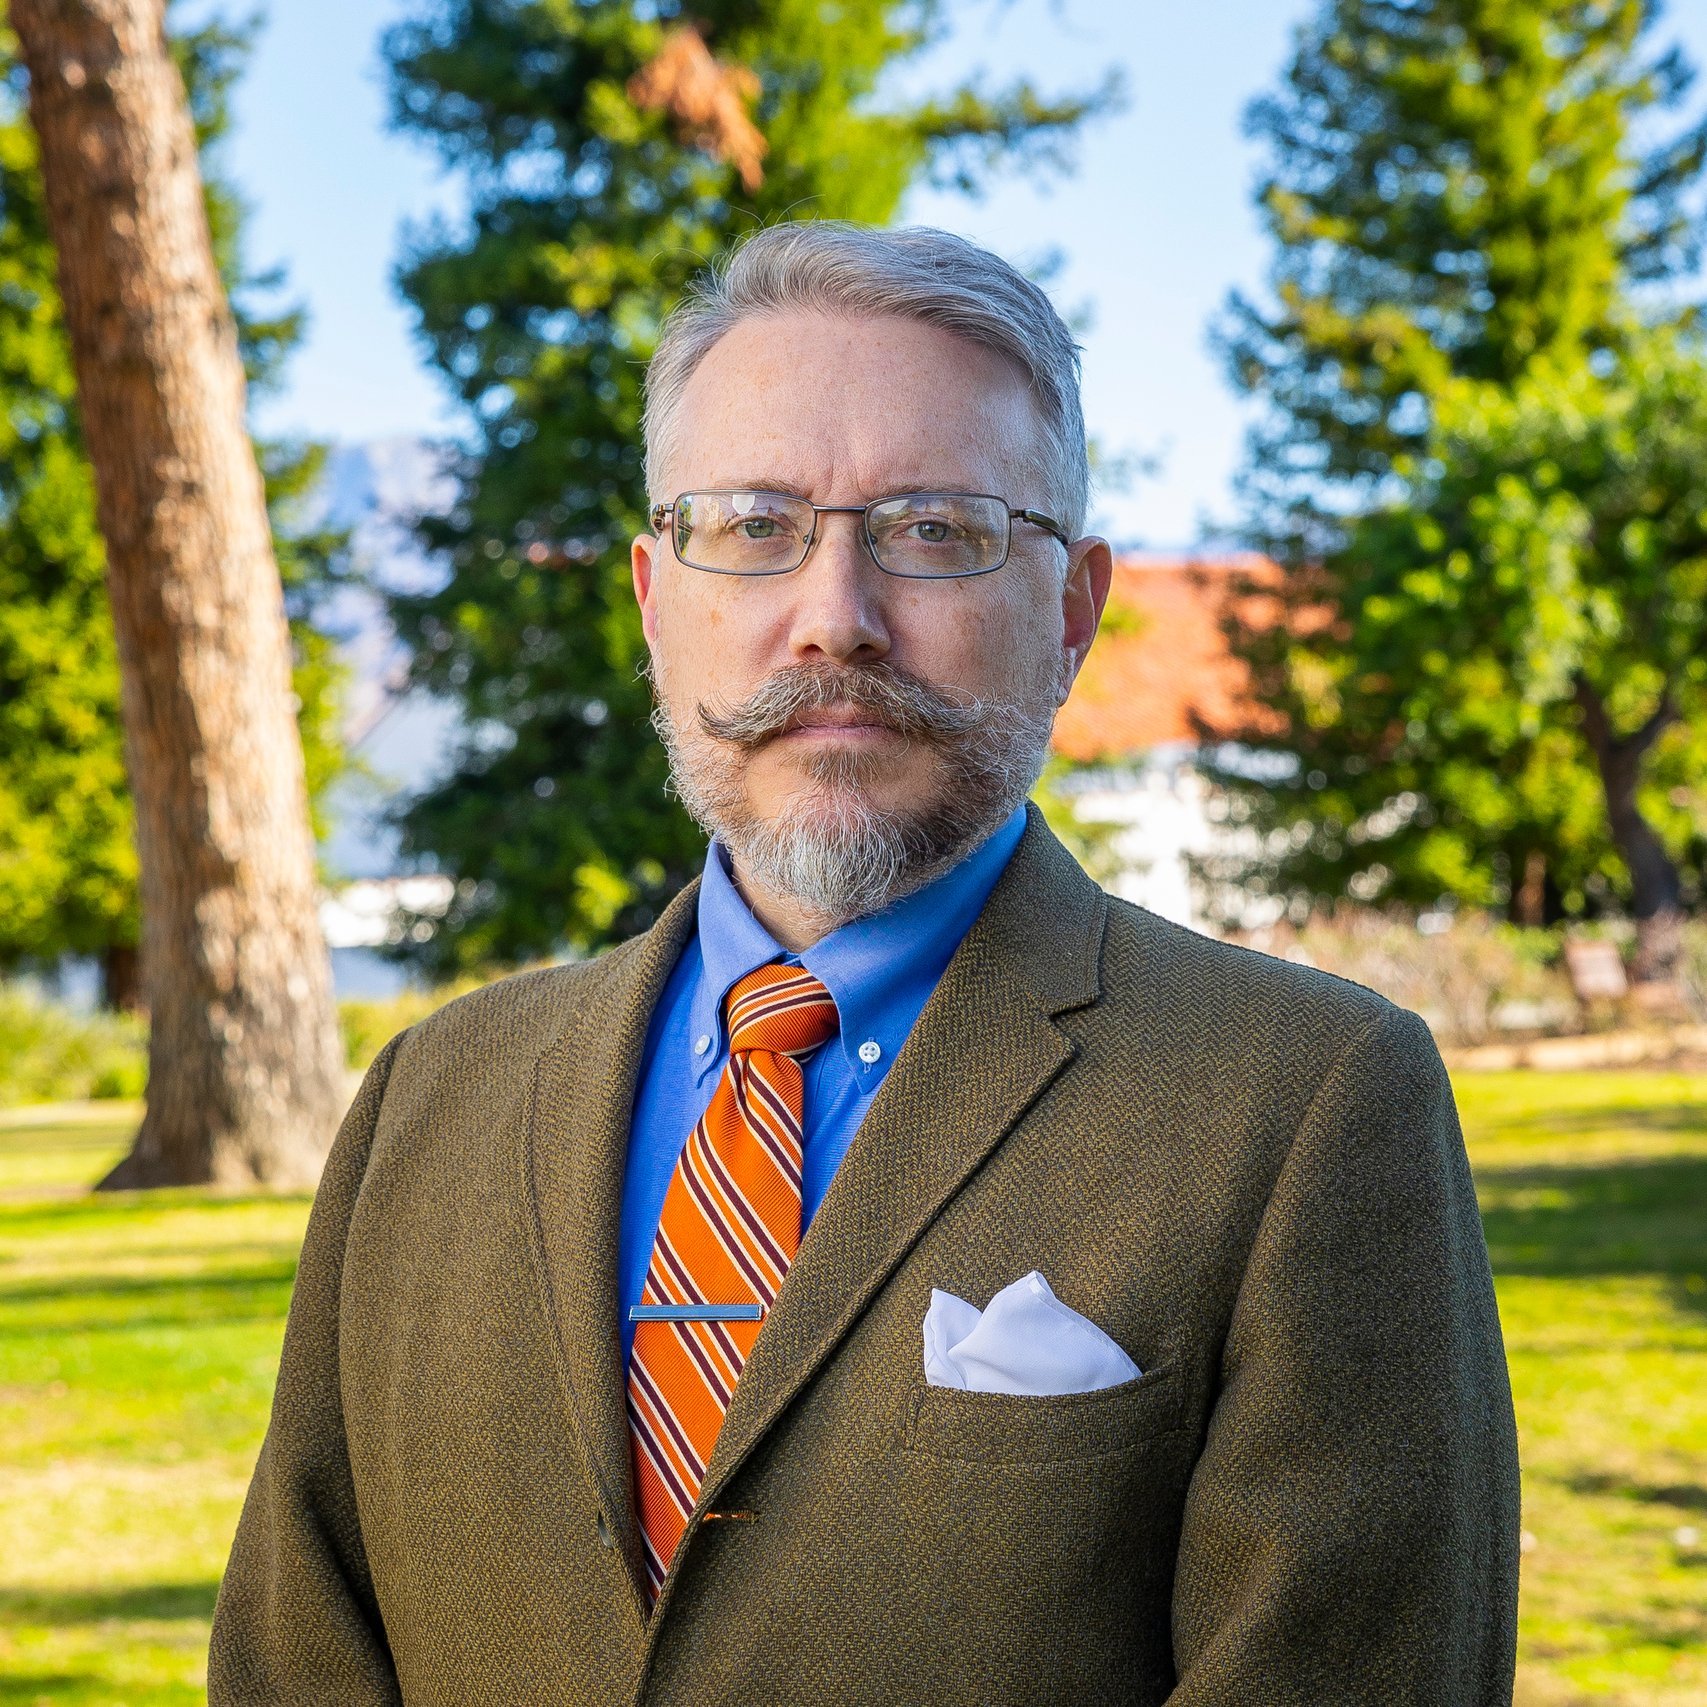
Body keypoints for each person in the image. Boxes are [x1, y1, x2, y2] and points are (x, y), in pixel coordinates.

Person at [208, 221, 1520, 1705]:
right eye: (756, 526)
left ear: (1074, 609)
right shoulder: (425, 1102)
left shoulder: (1302, 1105)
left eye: (937, 528)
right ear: (656, 598)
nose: (834, 614)